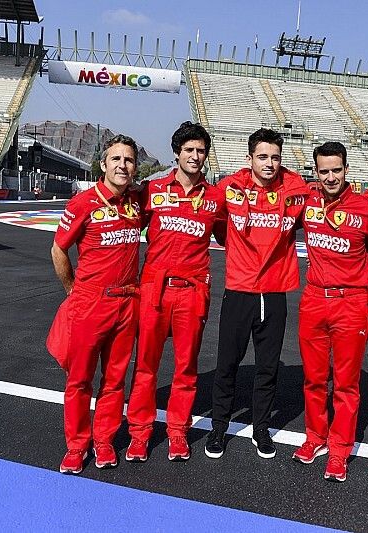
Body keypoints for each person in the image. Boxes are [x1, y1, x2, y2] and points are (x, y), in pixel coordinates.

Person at [205, 128, 309, 459]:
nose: (269, 163)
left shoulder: (295, 188)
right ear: (249, 158)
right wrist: (236, 248)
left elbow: (314, 211)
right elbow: (217, 223)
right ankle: (219, 427)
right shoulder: (230, 187)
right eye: (262, 157)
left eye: (275, 157)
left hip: (275, 292)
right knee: (227, 365)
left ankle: (261, 428)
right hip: (239, 290)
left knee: (267, 368)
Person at [125, 122, 225, 463]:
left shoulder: (215, 197)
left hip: (193, 290)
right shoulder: (151, 190)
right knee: (146, 366)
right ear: (176, 154)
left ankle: (178, 433)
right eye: (189, 151)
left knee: (186, 368)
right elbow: (125, 229)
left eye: (201, 152)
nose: (195, 157)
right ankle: (139, 434)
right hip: (155, 287)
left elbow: (231, 237)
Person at [46, 134, 144, 475]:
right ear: (103, 165)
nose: (122, 165)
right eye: (116, 159)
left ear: (135, 167)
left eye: (129, 160)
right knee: (79, 380)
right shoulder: (82, 203)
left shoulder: (137, 202)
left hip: (127, 302)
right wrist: (72, 288)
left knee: (115, 380)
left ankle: (103, 440)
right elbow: (58, 249)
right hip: (91, 303)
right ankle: (76, 446)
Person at [292, 142, 368, 482]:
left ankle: (339, 450)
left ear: (346, 169)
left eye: (336, 170)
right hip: (313, 298)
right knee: (313, 379)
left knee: (346, 383)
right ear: (315, 171)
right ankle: (315, 437)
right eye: (323, 170)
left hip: (352, 303)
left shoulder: (365, 209)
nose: (330, 176)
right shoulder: (307, 202)